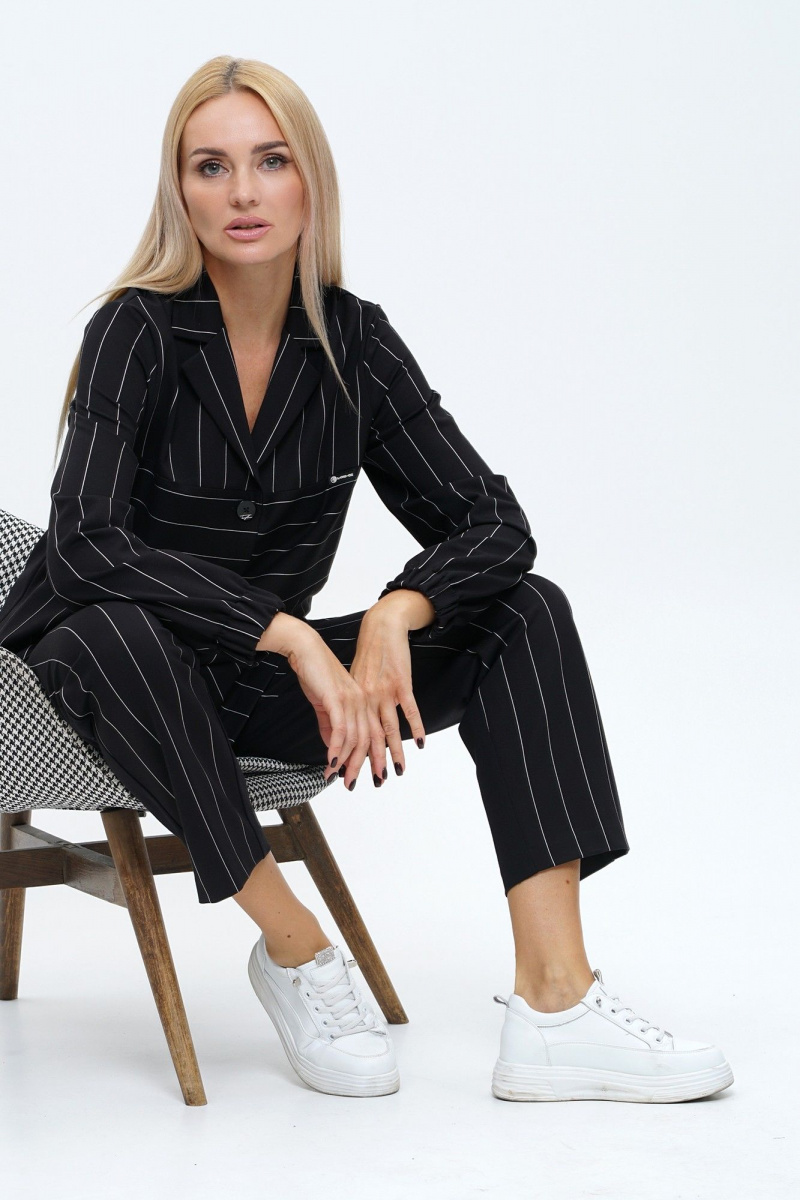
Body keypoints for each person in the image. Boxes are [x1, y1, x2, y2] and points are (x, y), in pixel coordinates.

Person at [0, 55, 732, 1103]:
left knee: (524, 611)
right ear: (180, 191)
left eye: (270, 161)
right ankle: (295, 948)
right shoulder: (136, 328)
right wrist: (290, 632)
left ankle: (555, 1004)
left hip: (249, 688)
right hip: (81, 679)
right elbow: (84, 547)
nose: (243, 193)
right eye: (211, 167)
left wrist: (396, 611)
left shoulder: (354, 342)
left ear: (312, 180)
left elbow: (494, 524)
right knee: (116, 631)